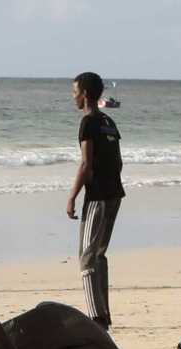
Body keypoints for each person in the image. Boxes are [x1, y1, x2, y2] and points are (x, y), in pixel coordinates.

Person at [66, 71, 125, 330]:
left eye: (75, 92)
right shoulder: (108, 121)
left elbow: (86, 164)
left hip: (98, 196)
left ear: (85, 94)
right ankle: (104, 313)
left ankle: (96, 318)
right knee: (99, 254)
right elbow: (118, 161)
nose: (73, 96)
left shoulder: (88, 122)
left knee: (87, 258)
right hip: (114, 193)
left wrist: (72, 197)